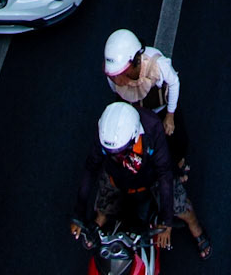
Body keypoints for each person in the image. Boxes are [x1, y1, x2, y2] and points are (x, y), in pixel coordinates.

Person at [71, 101, 211, 259]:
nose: (116, 156)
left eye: (120, 152)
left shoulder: (152, 127)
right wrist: (79, 212)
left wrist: (166, 221)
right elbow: (91, 167)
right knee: (103, 207)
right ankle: (100, 219)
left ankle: (195, 227)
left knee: (180, 207)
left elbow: (164, 172)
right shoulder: (105, 132)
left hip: (153, 175)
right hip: (117, 175)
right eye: (111, 153)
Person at [104, 29, 189, 176]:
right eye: (114, 76)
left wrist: (170, 115)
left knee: (176, 138)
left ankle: (178, 162)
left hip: (161, 109)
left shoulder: (157, 65)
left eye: (122, 73)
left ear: (135, 61)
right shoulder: (113, 76)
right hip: (137, 111)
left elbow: (174, 83)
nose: (117, 80)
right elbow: (117, 94)